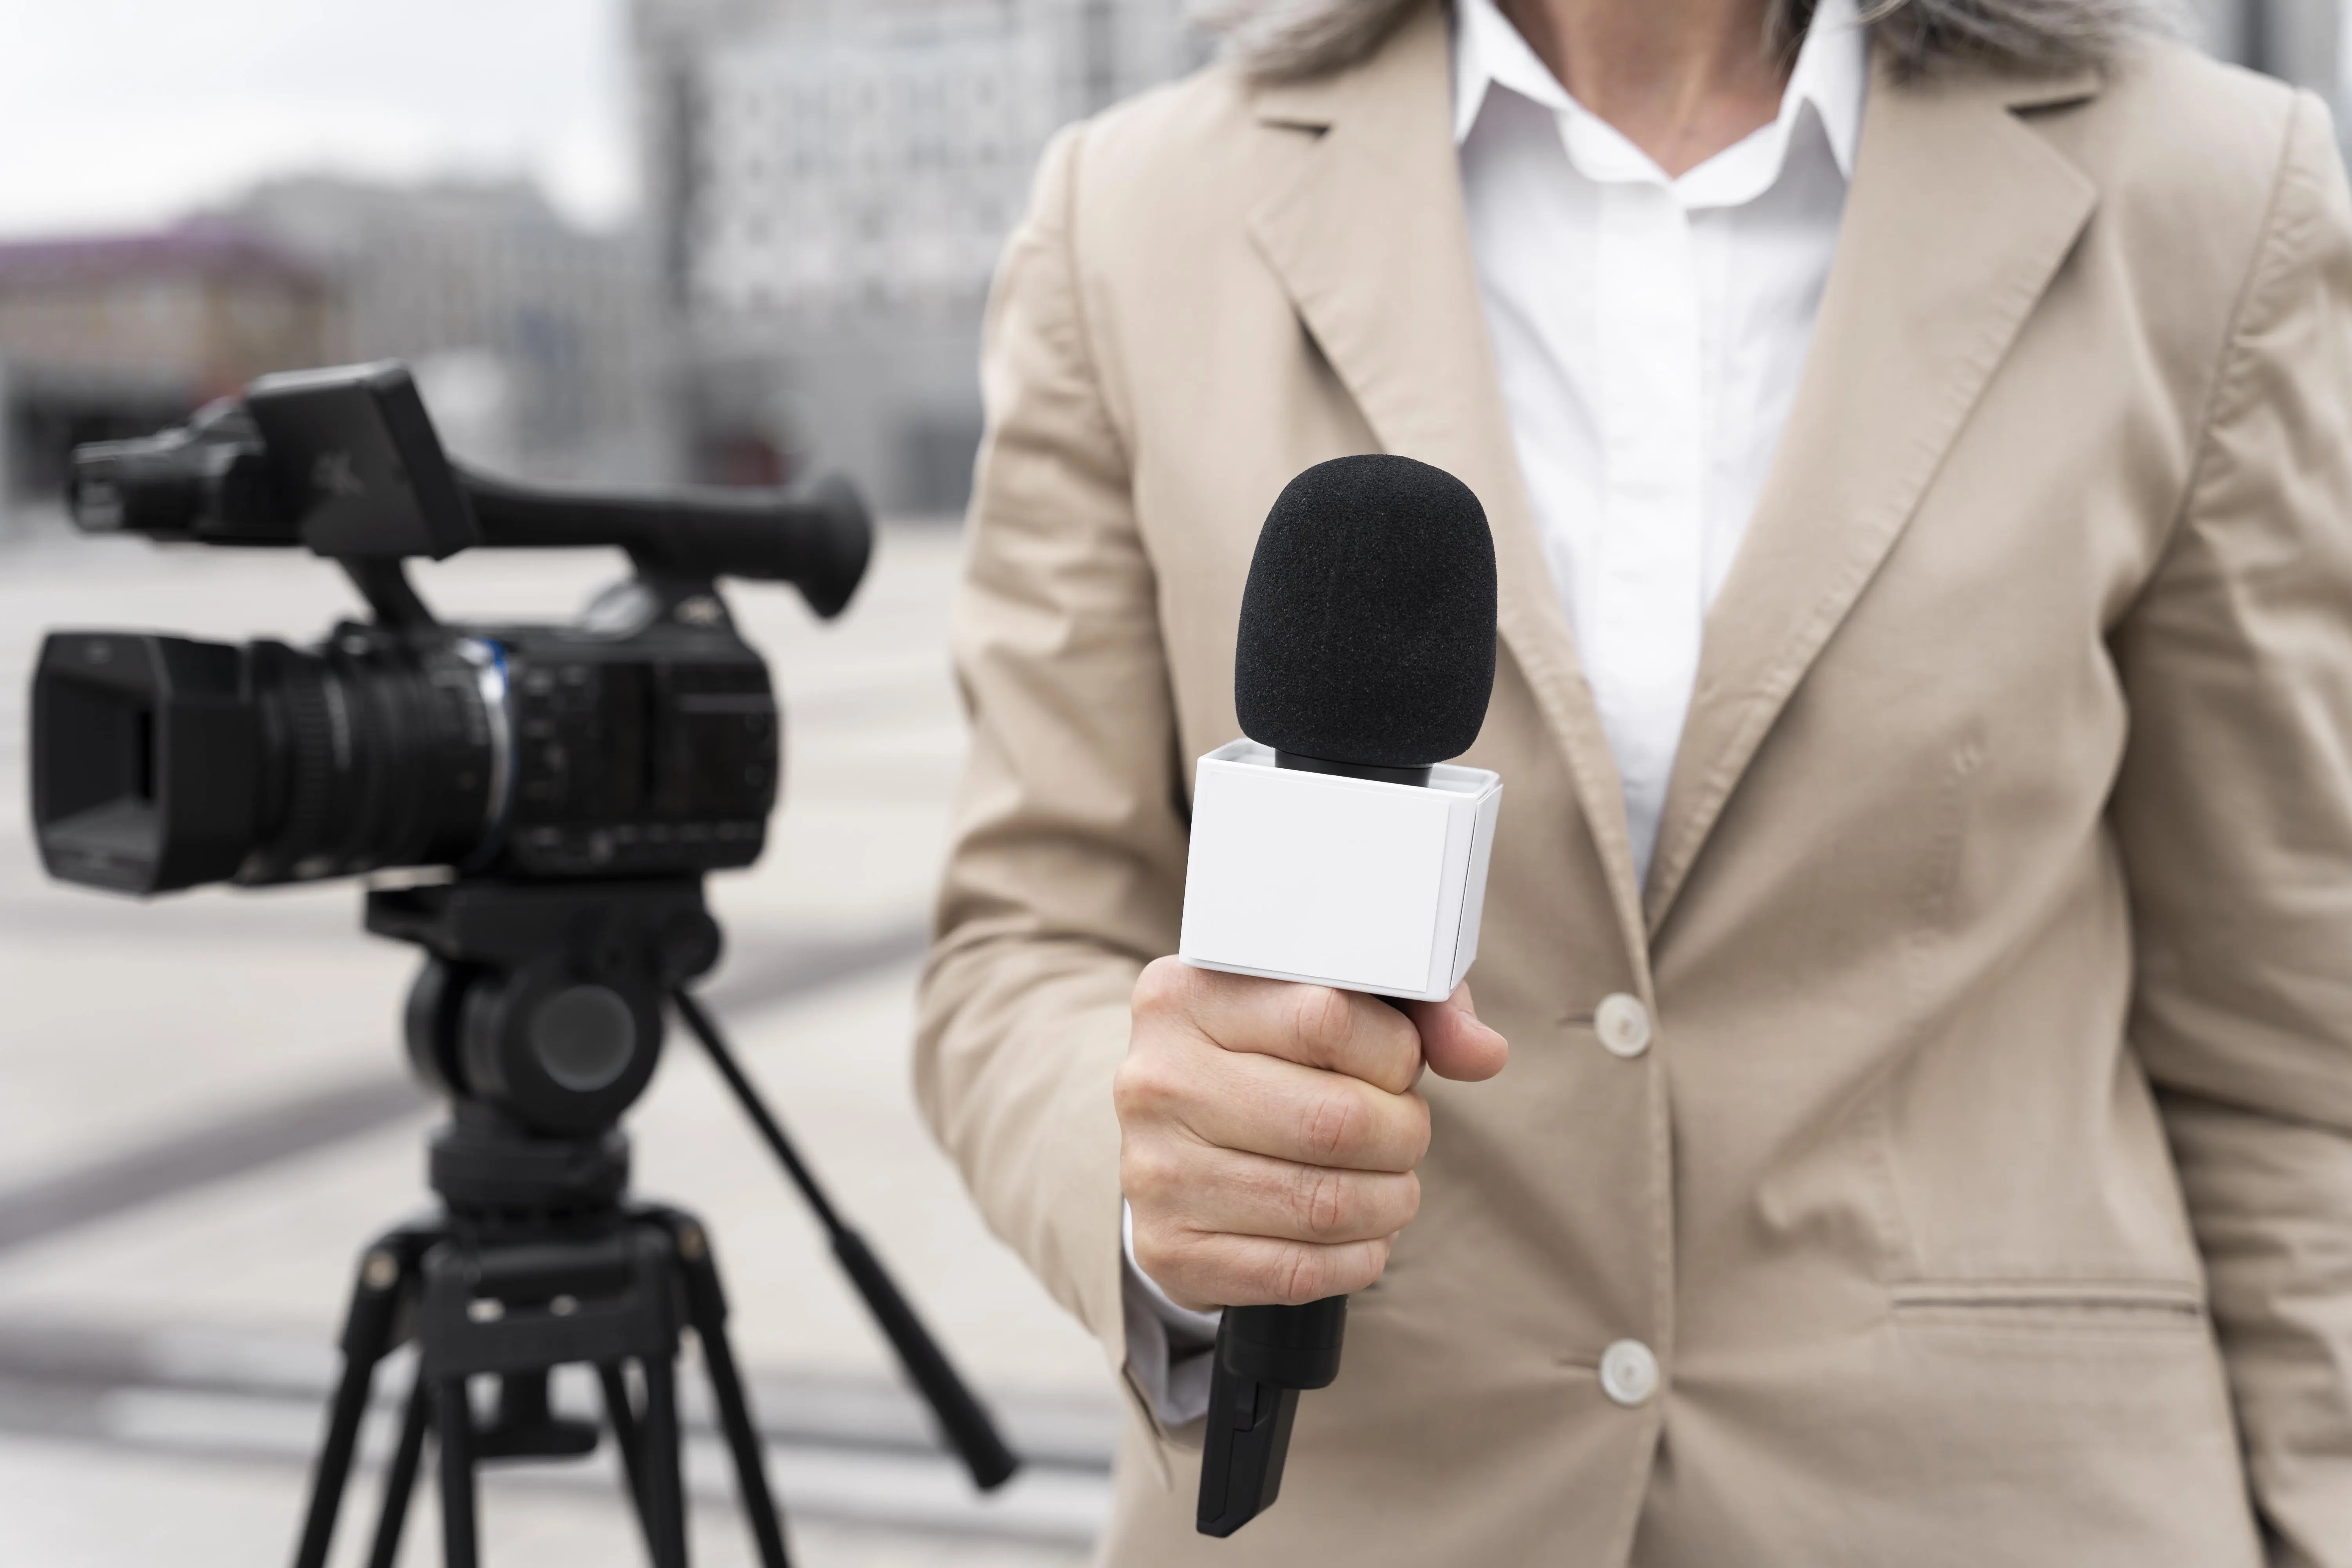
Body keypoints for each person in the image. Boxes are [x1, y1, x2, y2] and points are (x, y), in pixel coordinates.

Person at [915, 0, 2352, 1560]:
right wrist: (1167, 1175)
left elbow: (2289, 1039)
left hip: (2005, 1503)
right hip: (1365, 1502)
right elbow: (1020, 941)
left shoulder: (2211, 189)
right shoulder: (1129, 217)